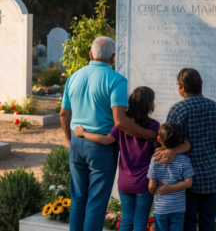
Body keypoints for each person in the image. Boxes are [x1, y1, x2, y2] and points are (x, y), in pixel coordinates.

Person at [60, 36, 156, 231]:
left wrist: (70, 140)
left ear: (90, 54)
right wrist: (150, 135)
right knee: (96, 201)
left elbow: (63, 114)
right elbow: (120, 121)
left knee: (78, 198)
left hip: (77, 142)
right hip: (101, 147)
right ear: (113, 57)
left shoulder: (74, 77)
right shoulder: (116, 80)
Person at [74, 86, 160, 231]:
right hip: (145, 182)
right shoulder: (154, 126)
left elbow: (106, 140)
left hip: (125, 181)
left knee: (126, 220)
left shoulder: (123, 126)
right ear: (149, 105)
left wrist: (83, 133)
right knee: (140, 221)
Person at [155, 68, 216, 231]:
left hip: (186, 178)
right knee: (208, 222)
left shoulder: (178, 109)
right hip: (212, 175)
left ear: (182, 87)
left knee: (187, 222)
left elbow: (168, 143)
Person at [148, 123, 195, 231]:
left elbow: (151, 186)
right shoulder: (184, 160)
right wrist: (171, 188)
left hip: (161, 208)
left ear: (159, 139)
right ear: (180, 139)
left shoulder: (155, 159)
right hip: (178, 208)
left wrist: (155, 191)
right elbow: (188, 183)